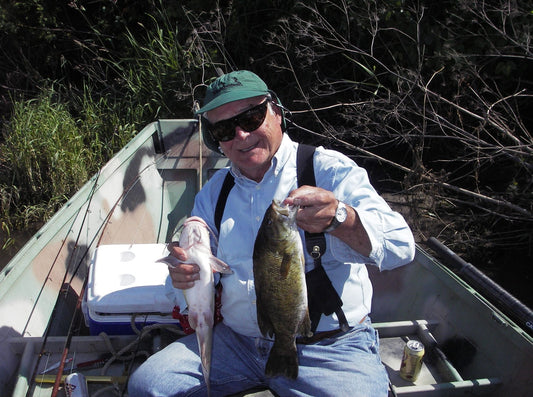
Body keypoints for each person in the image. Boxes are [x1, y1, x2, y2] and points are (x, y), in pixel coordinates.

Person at [128, 70, 415, 396]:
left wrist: (340, 218)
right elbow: (191, 268)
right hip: (236, 342)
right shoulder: (214, 192)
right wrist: (183, 273)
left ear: (276, 112)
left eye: (251, 117)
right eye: (223, 128)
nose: (240, 134)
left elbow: (401, 247)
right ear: (215, 140)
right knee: (148, 387)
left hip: (331, 347)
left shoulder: (328, 170)